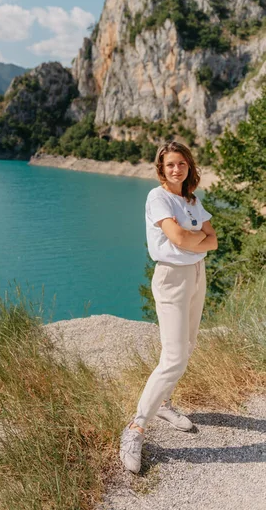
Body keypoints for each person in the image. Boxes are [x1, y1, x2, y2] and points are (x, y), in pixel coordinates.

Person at [120, 141, 218, 474]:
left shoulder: (192, 200)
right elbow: (177, 238)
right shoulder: (157, 197)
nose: (176, 169)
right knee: (174, 357)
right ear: (161, 168)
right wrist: (196, 241)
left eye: (181, 163)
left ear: (189, 167)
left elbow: (213, 239)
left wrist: (196, 242)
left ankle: (164, 404)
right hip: (172, 278)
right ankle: (136, 427)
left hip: (196, 274)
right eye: (170, 164)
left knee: (187, 346)